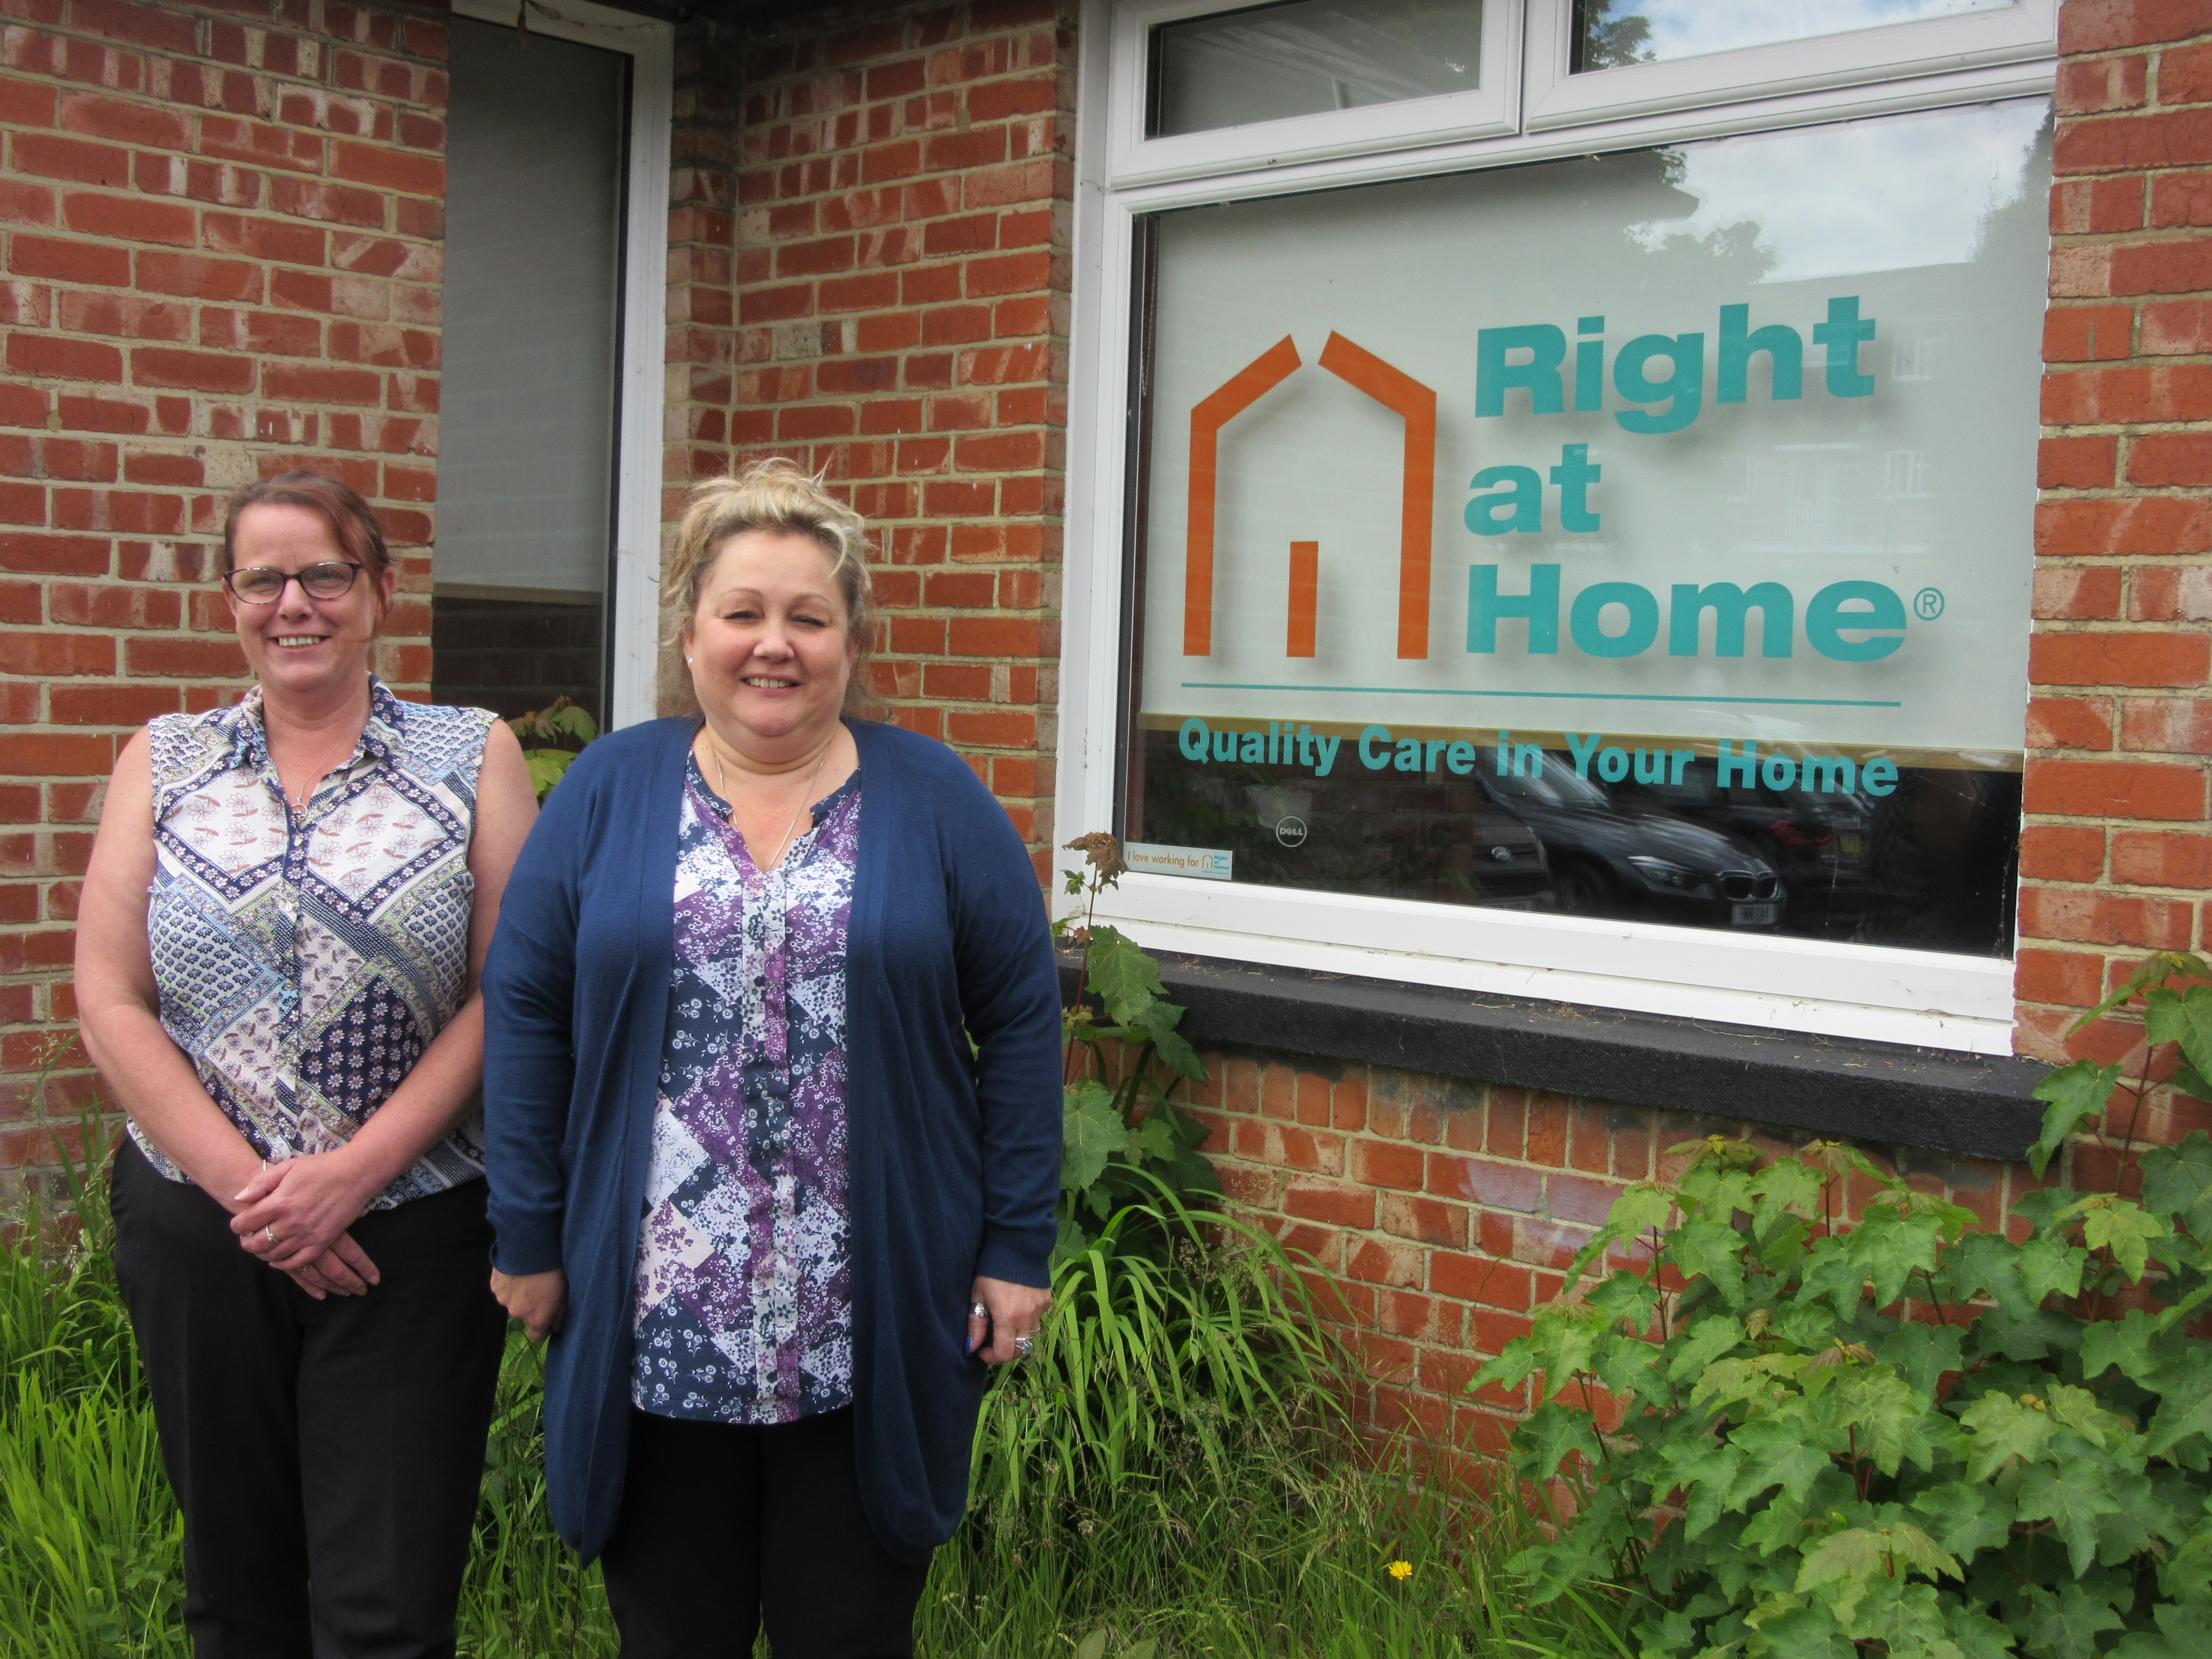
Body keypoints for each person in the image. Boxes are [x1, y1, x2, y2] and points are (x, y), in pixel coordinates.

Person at [481, 458, 1062, 1659]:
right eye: (743, 612)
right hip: (658, 1319)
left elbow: (1019, 1020)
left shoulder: (938, 799)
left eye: (809, 616)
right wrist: (529, 1233)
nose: (773, 645)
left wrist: (1016, 1247)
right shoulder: (606, 792)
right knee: (671, 1634)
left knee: (848, 1634)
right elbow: (527, 1006)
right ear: (691, 631)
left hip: (871, 1316)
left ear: (851, 641)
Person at [73, 470, 539, 1658]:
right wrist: (255, 1192)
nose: (296, 603)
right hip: (200, 1226)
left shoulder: (467, 754)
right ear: (228, 599)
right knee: (235, 1591)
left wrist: (353, 1174)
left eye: (326, 574)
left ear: (379, 592)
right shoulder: (166, 760)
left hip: (413, 1232)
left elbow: (513, 992)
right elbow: (111, 997)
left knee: (384, 1603)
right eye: (263, 577)